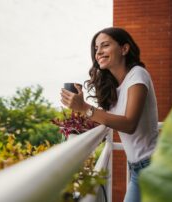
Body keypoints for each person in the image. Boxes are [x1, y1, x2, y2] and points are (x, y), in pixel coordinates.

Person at [60, 27, 158, 202]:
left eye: (105, 46)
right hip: (137, 168)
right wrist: (76, 122)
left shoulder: (138, 75)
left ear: (124, 49)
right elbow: (108, 120)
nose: (98, 52)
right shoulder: (114, 86)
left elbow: (129, 124)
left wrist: (84, 108)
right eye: (96, 48)